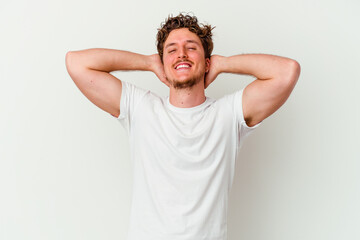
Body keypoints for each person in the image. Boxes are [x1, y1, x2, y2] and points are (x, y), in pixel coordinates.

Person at [65, 13, 300, 240]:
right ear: (162, 63)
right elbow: (76, 63)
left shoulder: (228, 114)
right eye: (172, 50)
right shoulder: (141, 109)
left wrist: (223, 64)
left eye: (191, 47)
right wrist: (147, 62)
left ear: (206, 62)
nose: (182, 54)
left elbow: (287, 71)